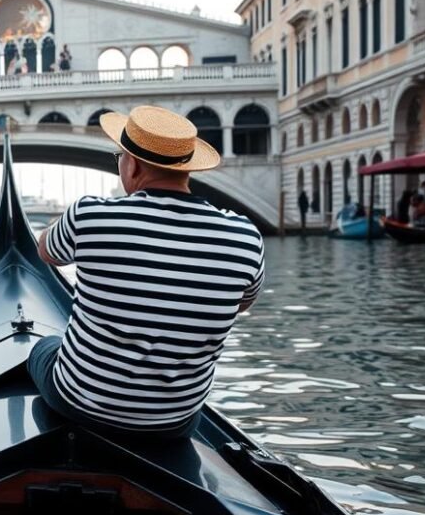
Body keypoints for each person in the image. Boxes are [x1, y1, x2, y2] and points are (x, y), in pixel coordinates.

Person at [29, 105, 264, 442]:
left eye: (119, 156)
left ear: (133, 164)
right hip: (175, 421)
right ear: (187, 167)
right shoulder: (245, 236)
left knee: (43, 347)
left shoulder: (91, 215)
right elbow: (240, 303)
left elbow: (46, 252)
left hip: (80, 402)